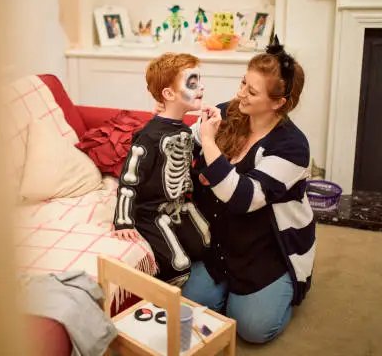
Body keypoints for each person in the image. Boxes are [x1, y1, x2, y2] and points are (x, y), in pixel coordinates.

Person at [182, 37, 315, 344]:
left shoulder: (292, 146)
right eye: (243, 82)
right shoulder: (229, 112)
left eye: (251, 91)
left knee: (253, 329)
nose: (240, 93)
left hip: (267, 246)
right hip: (221, 238)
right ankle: (231, 291)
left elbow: (243, 198)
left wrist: (210, 144)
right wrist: (168, 119)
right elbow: (185, 141)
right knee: (189, 305)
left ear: (278, 102)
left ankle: (283, 286)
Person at [112, 52, 212, 287]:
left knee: (205, 243)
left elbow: (184, 168)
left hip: (176, 205)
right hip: (150, 212)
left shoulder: (185, 131)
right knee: (177, 265)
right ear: (168, 94)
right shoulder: (148, 137)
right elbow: (129, 179)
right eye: (193, 84)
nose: (202, 88)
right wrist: (123, 221)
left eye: (200, 82)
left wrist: (201, 176)